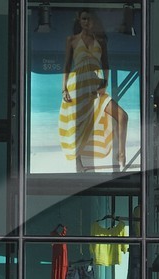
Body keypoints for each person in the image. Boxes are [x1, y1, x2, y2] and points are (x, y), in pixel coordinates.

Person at [58, 8, 108, 171]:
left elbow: (106, 65)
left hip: (94, 85)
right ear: (79, 21)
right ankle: (78, 162)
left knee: (95, 120)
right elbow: (66, 65)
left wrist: (105, 83)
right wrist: (64, 89)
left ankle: (92, 158)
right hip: (77, 84)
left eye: (89, 19)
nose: (87, 22)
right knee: (77, 123)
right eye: (84, 19)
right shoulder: (71, 40)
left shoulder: (100, 40)